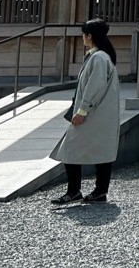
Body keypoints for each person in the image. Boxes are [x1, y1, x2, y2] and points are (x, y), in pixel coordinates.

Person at [51, 18, 120, 205]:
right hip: (101, 114)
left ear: (89, 36)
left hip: (92, 113)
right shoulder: (102, 56)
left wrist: (82, 110)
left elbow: (93, 87)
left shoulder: (98, 58)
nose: (82, 37)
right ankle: (98, 191)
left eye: (83, 34)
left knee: (70, 149)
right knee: (101, 151)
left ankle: (75, 191)